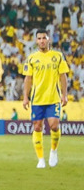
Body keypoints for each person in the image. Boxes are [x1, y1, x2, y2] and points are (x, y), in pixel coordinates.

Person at [21, 30, 70, 168]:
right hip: (37, 99)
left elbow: (63, 76)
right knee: (37, 127)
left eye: (44, 38)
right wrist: (25, 97)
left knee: (54, 125)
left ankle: (53, 151)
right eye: (39, 38)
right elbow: (28, 79)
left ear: (49, 39)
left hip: (53, 97)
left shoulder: (58, 56)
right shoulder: (32, 58)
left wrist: (64, 94)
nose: (42, 40)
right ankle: (41, 159)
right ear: (36, 41)